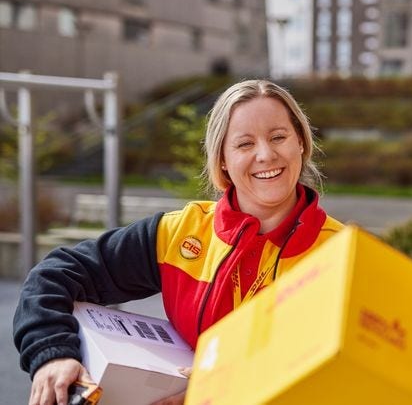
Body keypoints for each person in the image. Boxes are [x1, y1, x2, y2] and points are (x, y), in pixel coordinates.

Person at [13, 79, 344, 405]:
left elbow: (347, 375)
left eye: (278, 137)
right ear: (223, 160)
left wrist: (224, 387)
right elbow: (54, 276)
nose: (265, 154)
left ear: (300, 142)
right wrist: (52, 355)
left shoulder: (342, 256)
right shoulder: (182, 232)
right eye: (244, 144)